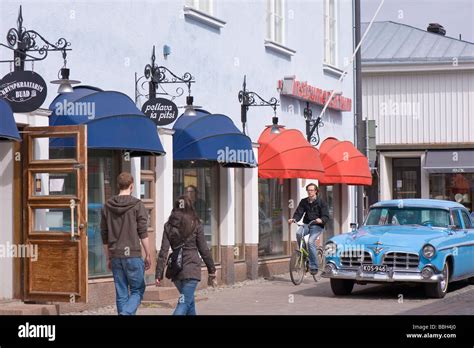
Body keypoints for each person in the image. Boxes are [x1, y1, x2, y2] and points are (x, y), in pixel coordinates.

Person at [155, 196, 216, 315]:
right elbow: (204, 249)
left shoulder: (168, 226)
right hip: (191, 268)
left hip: (176, 270)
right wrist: (212, 270)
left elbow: (163, 251)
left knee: (189, 303)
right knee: (183, 303)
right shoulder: (196, 223)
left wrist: (159, 274)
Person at [100, 172, 151, 315]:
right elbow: (143, 232)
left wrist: (108, 257)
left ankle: (125, 312)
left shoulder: (107, 206)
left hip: (116, 254)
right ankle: (126, 313)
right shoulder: (137, 205)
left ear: (118, 186)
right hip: (133, 254)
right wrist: (148, 254)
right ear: (132, 186)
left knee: (121, 293)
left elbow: (104, 234)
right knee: (138, 289)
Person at [288, 183, 329, 275]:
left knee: (311, 242)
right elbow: (299, 212)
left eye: (311, 190)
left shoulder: (321, 202)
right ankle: (303, 253)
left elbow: (326, 215)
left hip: (317, 226)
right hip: (307, 224)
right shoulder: (304, 201)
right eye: (308, 190)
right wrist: (294, 219)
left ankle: (314, 266)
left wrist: (321, 220)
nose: (309, 192)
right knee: (298, 233)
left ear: (316, 191)